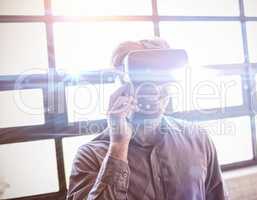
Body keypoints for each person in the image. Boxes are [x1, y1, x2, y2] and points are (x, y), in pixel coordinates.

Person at [66, 38, 228, 200]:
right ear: (122, 84)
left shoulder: (197, 139)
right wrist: (118, 146)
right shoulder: (90, 156)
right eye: (144, 80)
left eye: (164, 79)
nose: (156, 90)